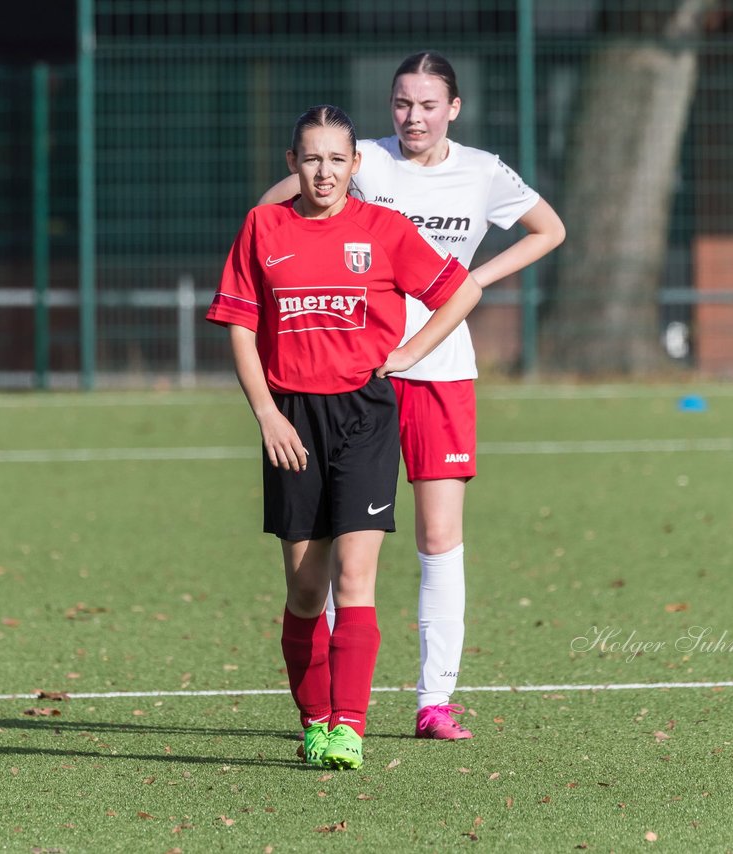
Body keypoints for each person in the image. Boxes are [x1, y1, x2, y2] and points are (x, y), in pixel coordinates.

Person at [259, 52, 565, 741]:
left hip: (442, 371)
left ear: (454, 107)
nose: (414, 117)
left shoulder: (484, 172)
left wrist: (475, 279)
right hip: (356, 377)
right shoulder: (358, 158)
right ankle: (333, 711)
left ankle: (435, 701)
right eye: (402, 104)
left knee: (437, 535)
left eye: (428, 105)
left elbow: (550, 230)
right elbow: (268, 216)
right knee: (338, 548)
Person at [208, 104, 483, 770]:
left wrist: (413, 350)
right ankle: (315, 720)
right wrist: (268, 415)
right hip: (292, 418)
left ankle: (350, 728)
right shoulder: (262, 227)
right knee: (306, 589)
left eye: (337, 159)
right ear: (292, 164)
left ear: (355, 165)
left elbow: (461, 289)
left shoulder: (383, 229)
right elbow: (242, 330)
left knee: (356, 580)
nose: (324, 172)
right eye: (311, 158)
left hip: (364, 414)